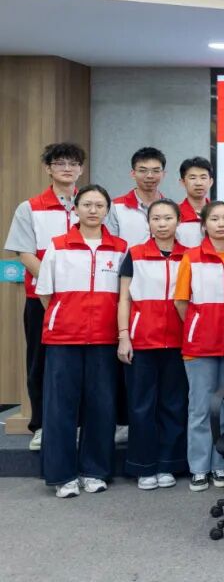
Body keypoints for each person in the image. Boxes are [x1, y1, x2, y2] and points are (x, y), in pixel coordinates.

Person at [36, 185, 127, 498]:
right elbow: (45, 293)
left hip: (104, 338)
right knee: (60, 407)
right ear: (76, 208)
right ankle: (61, 475)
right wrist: (67, 315)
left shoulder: (120, 248)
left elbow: (125, 295)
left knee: (101, 405)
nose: (92, 210)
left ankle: (94, 470)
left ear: (107, 210)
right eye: (86, 204)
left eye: (99, 205)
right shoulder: (58, 245)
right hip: (64, 338)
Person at [3, 142, 83, 451]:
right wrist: (56, 287)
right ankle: (41, 425)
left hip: (86, 301)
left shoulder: (91, 203)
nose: (67, 168)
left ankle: (79, 424)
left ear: (81, 169)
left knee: (82, 364)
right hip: (43, 299)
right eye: (60, 163)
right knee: (41, 361)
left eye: (73, 163)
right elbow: (25, 253)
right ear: (48, 168)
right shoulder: (30, 207)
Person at [174, 200, 224, 491]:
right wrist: (200, 324)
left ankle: (220, 465)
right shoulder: (191, 257)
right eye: (214, 219)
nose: (221, 224)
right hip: (200, 346)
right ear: (204, 224)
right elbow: (181, 302)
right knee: (200, 408)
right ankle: (198, 468)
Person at [116, 199, 187, 490]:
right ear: (148, 223)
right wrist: (124, 335)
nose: (162, 223)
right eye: (156, 218)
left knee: (174, 404)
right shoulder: (134, 254)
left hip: (180, 343)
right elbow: (124, 298)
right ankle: (144, 466)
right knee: (141, 406)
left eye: (168, 218)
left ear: (178, 221)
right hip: (142, 340)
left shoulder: (189, 256)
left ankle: (169, 463)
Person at [106, 147, 167, 246]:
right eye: (143, 170)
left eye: (156, 171)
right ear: (133, 174)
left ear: (163, 174)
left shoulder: (171, 208)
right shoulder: (116, 206)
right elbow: (110, 244)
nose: (150, 176)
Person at [175, 157, 213, 248]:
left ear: (211, 182)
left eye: (203, 177)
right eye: (193, 178)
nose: (198, 183)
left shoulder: (220, 213)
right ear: (182, 182)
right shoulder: (174, 214)